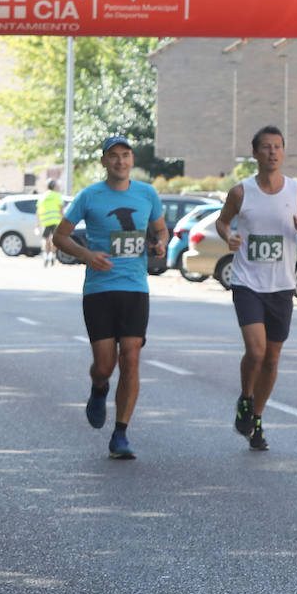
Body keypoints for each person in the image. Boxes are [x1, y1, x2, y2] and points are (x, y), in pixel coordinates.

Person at [53, 137, 167, 461]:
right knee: (105, 364)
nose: (120, 161)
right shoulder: (89, 196)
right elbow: (59, 236)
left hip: (135, 287)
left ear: (132, 160)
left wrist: (160, 244)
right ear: (104, 162)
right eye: (114, 156)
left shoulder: (147, 194)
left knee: (130, 357)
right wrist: (87, 254)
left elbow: (160, 231)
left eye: (126, 155)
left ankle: (120, 434)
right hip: (99, 290)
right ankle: (99, 387)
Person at [215, 126, 297, 452]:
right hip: (247, 282)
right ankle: (245, 397)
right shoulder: (240, 192)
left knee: (272, 359)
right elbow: (222, 220)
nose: (273, 152)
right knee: (257, 350)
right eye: (266, 147)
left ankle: (256, 418)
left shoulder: (296, 191)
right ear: (256, 153)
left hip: (282, 285)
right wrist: (227, 236)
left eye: (278, 147)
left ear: (283, 152)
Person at [37, 180, 64, 267]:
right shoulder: (57, 196)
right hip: (56, 221)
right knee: (54, 239)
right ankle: (52, 255)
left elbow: (38, 211)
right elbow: (61, 209)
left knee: (46, 239)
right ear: (54, 186)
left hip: (45, 221)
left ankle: (46, 256)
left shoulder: (42, 196)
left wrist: (37, 222)